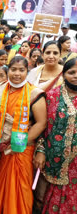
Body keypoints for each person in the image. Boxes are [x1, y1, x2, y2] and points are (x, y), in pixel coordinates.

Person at [0, 56, 47, 214]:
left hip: (22, 148)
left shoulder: (35, 93)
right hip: (1, 146)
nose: (17, 74)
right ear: (8, 70)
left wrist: (19, 143)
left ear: (27, 72)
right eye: (13, 69)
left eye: (22, 70)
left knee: (20, 187)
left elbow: (41, 123)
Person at [37, 58, 77, 214]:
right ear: (63, 74)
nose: (75, 76)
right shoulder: (51, 96)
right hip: (53, 162)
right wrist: (40, 150)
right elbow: (41, 126)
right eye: (71, 72)